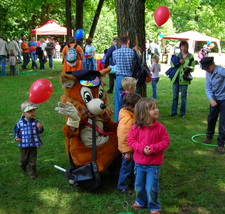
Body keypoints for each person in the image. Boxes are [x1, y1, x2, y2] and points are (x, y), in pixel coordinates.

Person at [127, 98, 170, 214]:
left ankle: (154, 206)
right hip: (139, 163)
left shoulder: (160, 128)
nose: (157, 110)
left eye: (156, 107)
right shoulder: (136, 127)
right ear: (143, 113)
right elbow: (130, 140)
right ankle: (140, 202)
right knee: (139, 185)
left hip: (153, 164)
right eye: (153, 108)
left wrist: (153, 148)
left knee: (151, 187)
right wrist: (142, 149)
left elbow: (165, 141)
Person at [199, 57, 225, 154]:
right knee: (211, 118)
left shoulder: (221, 71)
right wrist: (211, 99)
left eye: (207, 68)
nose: (206, 70)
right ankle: (209, 136)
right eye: (205, 68)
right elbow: (208, 87)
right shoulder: (208, 73)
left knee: (223, 122)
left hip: (224, 99)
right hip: (214, 98)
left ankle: (221, 144)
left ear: (213, 64)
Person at [117, 92, 142, 194]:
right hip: (128, 150)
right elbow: (123, 136)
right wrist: (127, 151)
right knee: (126, 168)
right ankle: (122, 186)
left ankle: (133, 183)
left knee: (133, 167)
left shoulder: (131, 115)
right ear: (130, 106)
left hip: (133, 148)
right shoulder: (127, 120)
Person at [14, 101, 44, 179]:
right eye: (30, 111)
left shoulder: (36, 122)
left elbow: (39, 132)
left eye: (34, 110)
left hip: (33, 145)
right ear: (24, 113)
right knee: (23, 160)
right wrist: (16, 137)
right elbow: (16, 132)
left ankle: (32, 173)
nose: (33, 112)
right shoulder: (19, 123)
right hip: (23, 145)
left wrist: (40, 128)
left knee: (32, 162)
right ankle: (23, 167)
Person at [169, 40, 195, 118]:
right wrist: (179, 62)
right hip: (176, 77)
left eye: (185, 46)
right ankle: (173, 112)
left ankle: (182, 113)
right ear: (180, 47)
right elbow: (172, 64)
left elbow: (193, 67)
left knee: (183, 97)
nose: (183, 48)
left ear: (187, 47)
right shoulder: (177, 55)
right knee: (175, 96)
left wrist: (189, 68)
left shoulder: (190, 56)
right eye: (182, 46)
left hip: (184, 78)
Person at [112, 35, 135, 122]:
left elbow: (114, 62)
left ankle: (118, 121)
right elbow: (134, 64)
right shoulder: (132, 52)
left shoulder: (115, 52)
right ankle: (129, 119)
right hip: (129, 79)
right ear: (128, 42)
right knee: (130, 100)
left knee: (118, 101)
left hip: (119, 77)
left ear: (119, 42)